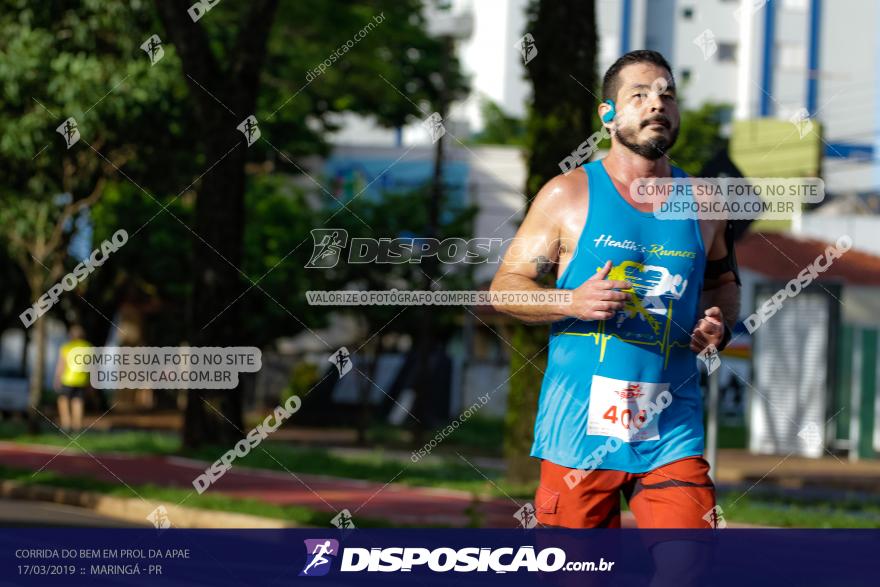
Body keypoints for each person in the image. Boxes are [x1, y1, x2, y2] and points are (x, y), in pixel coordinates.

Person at [490, 50, 741, 535]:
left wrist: (720, 325)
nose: (657, 105)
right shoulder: (567, 194)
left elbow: (723, 286)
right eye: (640, 95)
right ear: (608, 115)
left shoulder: (707, 203)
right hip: (578, 432)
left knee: (688, 566)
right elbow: (506, 288)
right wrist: (570, 301)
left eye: (667, 94)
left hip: (671, 427)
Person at [53, 324, 91, 433]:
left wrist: (57, 378)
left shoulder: (67, 347)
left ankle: (66, 425)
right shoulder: (88, 347)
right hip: (81, 379)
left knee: (63, 401)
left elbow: (61, 364)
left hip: (68, 379)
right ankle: (77, 427)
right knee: (78, 402)